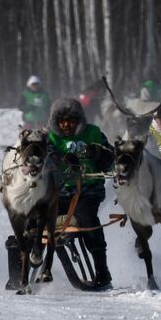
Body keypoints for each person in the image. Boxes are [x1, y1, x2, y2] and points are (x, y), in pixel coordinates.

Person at [45, 97, 114, 291]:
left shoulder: (93, 133)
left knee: (86, 218)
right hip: (59, 192)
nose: (66, 125)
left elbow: (111, 160)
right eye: (62, 121)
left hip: (88, 190)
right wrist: (59, 157)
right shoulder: (50, 137)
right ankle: (30, 263)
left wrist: (98, 154)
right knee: (38, 219)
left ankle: (102, 269)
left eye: (71, 121)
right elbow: (45, 158)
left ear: (79, 121)